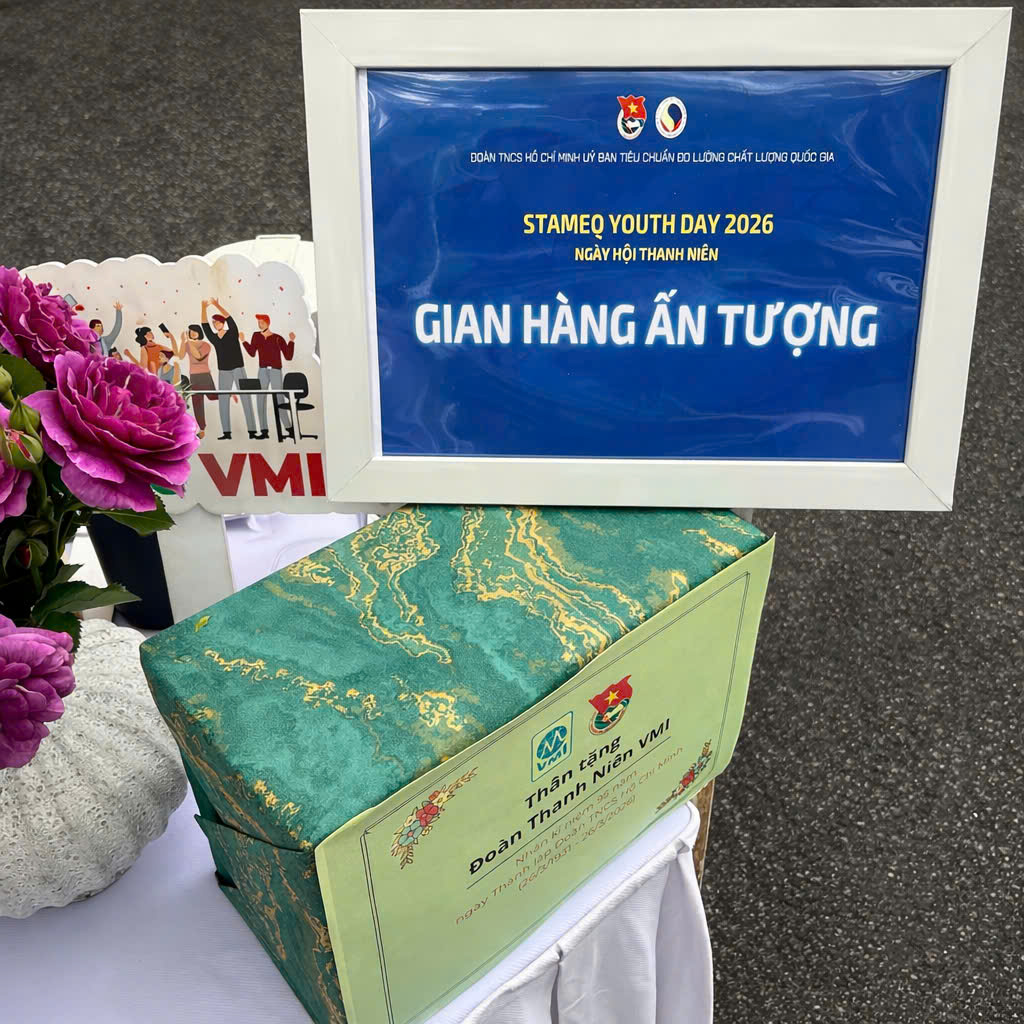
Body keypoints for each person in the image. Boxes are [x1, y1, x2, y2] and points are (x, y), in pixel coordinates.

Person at [202, 298, 256, 441]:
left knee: (246, 398)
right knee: (223, 400)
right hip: (223, 371)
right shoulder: (214, 338)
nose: (215, 324)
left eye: (218, 322)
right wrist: (203, 308)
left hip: (238, 368)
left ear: (223, 322)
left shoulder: (232, 332)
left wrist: (217, 305)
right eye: (214, 323)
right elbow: (205, 326)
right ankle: (226, 431)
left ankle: (252, 430)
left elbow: (230, 318)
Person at [241, 314, 296, 439]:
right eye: (259, 322)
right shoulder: (256, 336)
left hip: (276, 371)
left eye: (262, 322)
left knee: (279, 399)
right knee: (260, 399)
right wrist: (243, 341)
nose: (260, 324)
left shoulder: (278, 338)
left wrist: (291, 341)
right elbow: (252, 352)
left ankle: (289, 429)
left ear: (268, 323)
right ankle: (264, 431)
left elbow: (288, 356)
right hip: (262, 371)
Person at [174, 324, 214, 439]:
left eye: (195, 331)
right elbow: (180, 356)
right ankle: (202, 429)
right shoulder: (188, 344)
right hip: (194, 376)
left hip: (205, 375)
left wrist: (189, 342)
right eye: (191, 331)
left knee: (213, 396)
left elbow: (198, 356)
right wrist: (183, 342)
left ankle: (230, 395)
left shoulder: (206, 345)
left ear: (199, 332)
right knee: (197, 402)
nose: (193, 333)